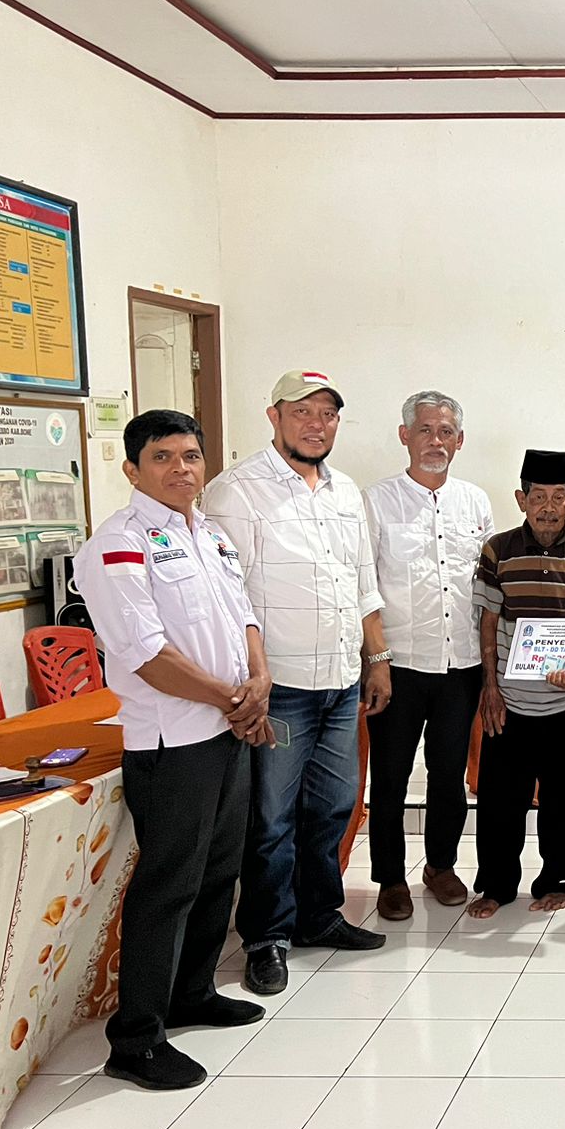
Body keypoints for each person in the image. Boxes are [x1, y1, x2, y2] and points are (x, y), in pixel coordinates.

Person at [74, 411, 271, 1089]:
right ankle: (136, 1039)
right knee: (169, 886)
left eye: (190, 456)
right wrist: (233, 698)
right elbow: (146, 654)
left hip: (224, 732)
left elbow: (244, 616)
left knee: (218, 872)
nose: (180, 469)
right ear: (132, 469)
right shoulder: (118, 545)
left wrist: (259, 681)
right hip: (173, 742)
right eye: (162, 457)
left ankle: (193, 993)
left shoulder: (208, 534)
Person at [205, 370, 389, 996]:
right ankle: (266, 936)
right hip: (279, 689)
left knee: (333, 807)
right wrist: (255, 679)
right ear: (274, 416)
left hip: (340, 683)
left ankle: (318, 916)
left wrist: (378, 657)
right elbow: (231, 600)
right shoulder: (237, 491)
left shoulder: (345, 491)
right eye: (302, 411)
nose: (316, 424)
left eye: (327, 414)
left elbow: (362, 580)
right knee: (272, 818)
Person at [468, 449, 565, 918]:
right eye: (538, 497)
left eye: (558, 497)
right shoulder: (498, 550)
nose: (548, 507)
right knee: (500, 799)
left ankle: (555, 880)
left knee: (564, 798)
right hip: (510, 701)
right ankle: (496, 884)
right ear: (522, 499)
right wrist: (490, 687)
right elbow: (488, 620)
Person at [362, 390, 494, 920]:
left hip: (460, 666)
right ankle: (390, 878)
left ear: (459, 441)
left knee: (449, 776)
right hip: (398, 667)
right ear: (405, 436)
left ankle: (440, 865)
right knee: (390, 778)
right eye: (425, 430)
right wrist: (376, 661)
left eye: (445, 432)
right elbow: (364, 586)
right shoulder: (376, 501)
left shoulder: (475, 502)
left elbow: (487, 586)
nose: (435, 441)